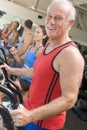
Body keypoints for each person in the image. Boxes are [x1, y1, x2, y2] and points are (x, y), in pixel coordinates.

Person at [2, 0, 85, 130]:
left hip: (41, 123)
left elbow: (69, 99)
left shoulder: (70, 55)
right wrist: (12, 70)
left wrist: (30, 115)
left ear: (70, 23)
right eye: (49, 16)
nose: (51, 22)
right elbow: (38, 71)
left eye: (58, 18)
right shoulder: (49, 45)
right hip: (28, 107)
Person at [0, 25, 48, 101]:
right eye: (35, 31)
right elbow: (23, 63)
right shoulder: (32, 47)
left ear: (44, 36)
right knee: (18, 104)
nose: (35, 34)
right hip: (22, 78)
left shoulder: (40, 51)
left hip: (27, 82)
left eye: (38, 32)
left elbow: (38, 71)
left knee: (1, 93)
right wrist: (15, 54)